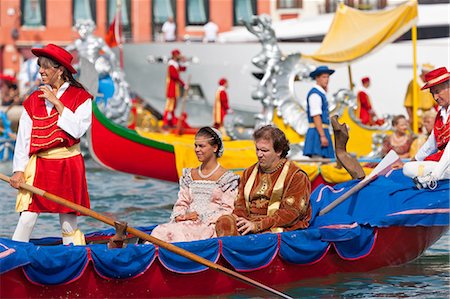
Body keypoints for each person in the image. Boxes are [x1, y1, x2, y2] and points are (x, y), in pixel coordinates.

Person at [9, 44, 92, 245]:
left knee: (68, 223)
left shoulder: (81, 98)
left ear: (60, 69)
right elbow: (23, 138)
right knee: (27, 217)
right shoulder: (32, 100)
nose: (40, 71)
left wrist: (57, 103)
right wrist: (19, 170)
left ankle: (73, 259)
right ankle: (13, 257)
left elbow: (77, 130)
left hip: (68, 164)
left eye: (46, 67)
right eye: (39, 66)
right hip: (40, 166)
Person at [215, 125, 311, 236]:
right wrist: (239, 221)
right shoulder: (249, 172)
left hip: (279, 226)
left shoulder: (296, 176)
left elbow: (291, 213)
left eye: (264, 151)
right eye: (257, 149)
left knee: (264, 236)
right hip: (249, 222)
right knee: (225, 223)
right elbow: (240, 205)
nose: (259, 154)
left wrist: (258, 226)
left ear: (279, 151)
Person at [151, 127, 239, 242]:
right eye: (196, 146)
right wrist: (182, 215)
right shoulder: (189, 175)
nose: (197, 150)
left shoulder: (227, 178)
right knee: (159, 230)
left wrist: (200, 218)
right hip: (185, 222)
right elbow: (182, 203)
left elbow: (228, 210)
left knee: (176, 234)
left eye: (201, 146)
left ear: (215, 147)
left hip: (208, 227)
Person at [403, 66, 450, 189]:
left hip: (444, 163)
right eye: (432, 93)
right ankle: (432, 176)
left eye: (437, 91)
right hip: (444, 163)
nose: (435, 97)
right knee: (408, 168)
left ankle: (432, 177)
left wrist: (435, 175)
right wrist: (414, 160)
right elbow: (431, 143)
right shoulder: (441, 114)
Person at [303, 65, 335, 158]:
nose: (327, 79)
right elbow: (316, 116)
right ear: (317, 78)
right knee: (319, 162)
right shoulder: (315, 94)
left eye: (328, 77)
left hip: (322, 131)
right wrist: (322, 136)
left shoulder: (321, 93)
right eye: (324, 77)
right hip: (317, 133)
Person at [163, 49, 187, 128]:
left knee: (173, 106)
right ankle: (165, 122)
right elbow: (175, 76)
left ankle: (173, 122)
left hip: (174, 88)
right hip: (171, 88)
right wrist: (183, 84)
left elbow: (183, 69)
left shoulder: (175, 64)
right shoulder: (171, 65)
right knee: (169, 106)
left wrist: (183, 62)